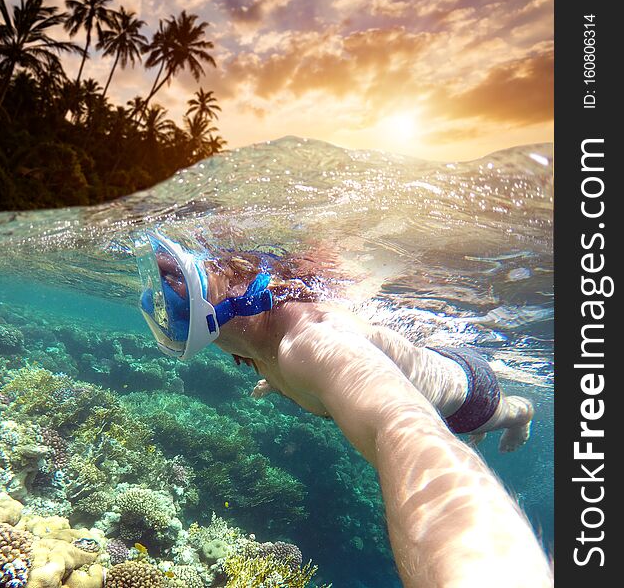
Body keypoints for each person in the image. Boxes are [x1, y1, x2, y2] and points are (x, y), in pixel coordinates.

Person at [135, 230, 554, 588]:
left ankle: (523, 415)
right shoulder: (256, 339)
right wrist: (277, 384)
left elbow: (400, 429)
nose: (161, 304)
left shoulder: (314, 342)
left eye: (179, 288)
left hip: (467, 391)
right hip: (423, 364)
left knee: (501, 414)